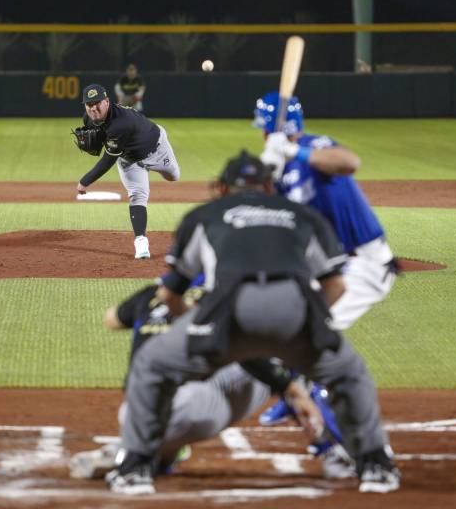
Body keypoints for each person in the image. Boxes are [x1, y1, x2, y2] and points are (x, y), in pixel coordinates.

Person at [106, 151, 400, 495]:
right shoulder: (302, 215)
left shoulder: (205, 215)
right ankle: (376, 467)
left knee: (152, 365)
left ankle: (136, 469)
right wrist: (308, 323)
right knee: (349, 373)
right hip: (292, 310)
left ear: (222, 188)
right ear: (269, 187)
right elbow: (336, 286)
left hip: (229, 314)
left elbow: (170, 295)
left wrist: (198, 324)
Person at [69, 275, 355, 483]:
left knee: (177, 384)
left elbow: (111, 320)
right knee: (285, 352)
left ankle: (152, 454)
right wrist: (288, 387)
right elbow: (253, 357)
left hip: (132, 413)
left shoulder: (152, 294)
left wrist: (151, 317)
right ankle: (331, 452)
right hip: (190, 410)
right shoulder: (221, 302)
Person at [254, 90, 400, 427]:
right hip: (328, 268)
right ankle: (296, 396)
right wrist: (268, 175)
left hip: (365, 266)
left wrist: (295, 152)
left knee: (310, 334)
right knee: (287, 327)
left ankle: (338, 427)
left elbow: (349, 162)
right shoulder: (279, 166)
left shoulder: (317, 147)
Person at [74, 83, 180, 259]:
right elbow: (103, 140)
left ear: (107, 101)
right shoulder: (88, 118)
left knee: (174, 176)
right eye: (89, 104)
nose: (93, 108)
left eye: (97, 103)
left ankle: (162, 168)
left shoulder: (121, 123)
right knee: (137, 196)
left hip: (157, 150)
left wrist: (85, 181)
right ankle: (141, 242)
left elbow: (107, 160)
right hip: (129, 159)